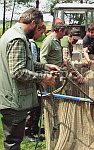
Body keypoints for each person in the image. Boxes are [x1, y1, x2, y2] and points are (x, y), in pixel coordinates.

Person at [0, 8, 60, 149]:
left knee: (13, 141)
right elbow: (18, 72)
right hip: (13, 101)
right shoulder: (18, 39)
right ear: (33, 23)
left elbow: (24, 62)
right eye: (39, 27)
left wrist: (44, 66)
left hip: (10, 97)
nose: (39, 31)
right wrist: (43, 78)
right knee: (13, 142)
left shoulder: (10, 34)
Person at [24, 24, 46, 142]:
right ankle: (27, 131)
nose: (41, 35)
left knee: (37, 104)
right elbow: (31, 64)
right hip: (31, 79)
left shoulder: (33, 44)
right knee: (31, 106)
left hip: (35, 77)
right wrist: (41, 76)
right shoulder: (30, 45)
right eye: (41, 33)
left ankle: (34, 128)